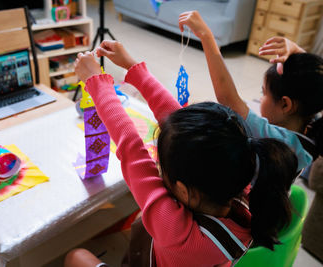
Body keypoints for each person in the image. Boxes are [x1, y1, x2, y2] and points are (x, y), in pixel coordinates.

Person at [64, 41, 298, 267]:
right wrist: (132, 68)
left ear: (184, 191)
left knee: (75, 257)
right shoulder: (243, 185)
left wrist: (96, 83)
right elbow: (178, 125)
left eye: (161, 166)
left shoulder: (177, 233)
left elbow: (131, 149)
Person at [178, 11, 323, 173]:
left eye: (264, 94)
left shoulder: (279, 141)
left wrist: (206, 36)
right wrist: (298, 53)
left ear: (285, 104)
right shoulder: (308, 126)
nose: (260, 100)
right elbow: (316, 85)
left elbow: (228, 98)